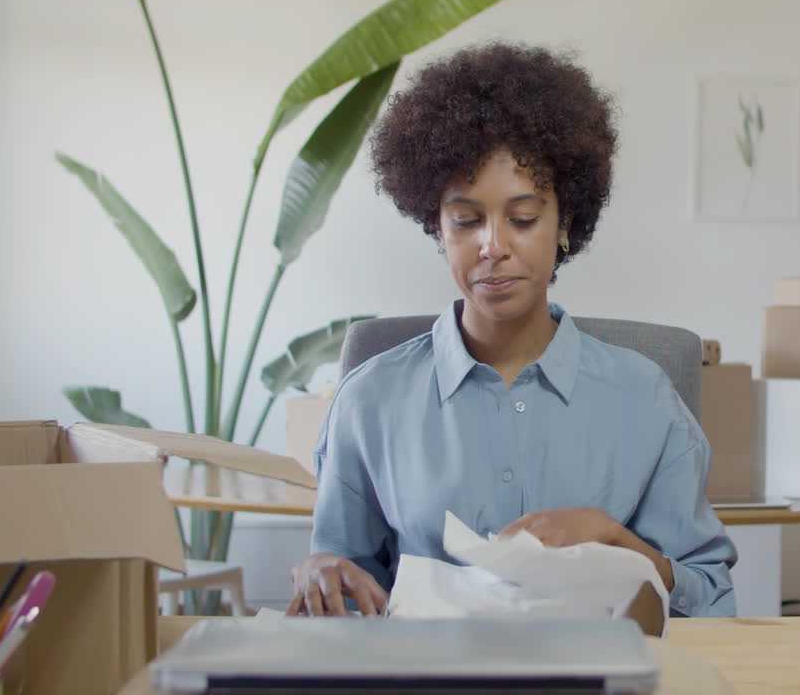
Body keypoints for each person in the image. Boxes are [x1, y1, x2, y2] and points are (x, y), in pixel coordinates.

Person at [286, 42, 737, 619]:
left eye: (523, 219)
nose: (493, 246)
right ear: (437, 228)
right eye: (466, 220)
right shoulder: (370, 401)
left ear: (565, 223)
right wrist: (323, 571)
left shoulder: (644, 397)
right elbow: (345, 577)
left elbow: (711, 596)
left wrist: (621, 545)